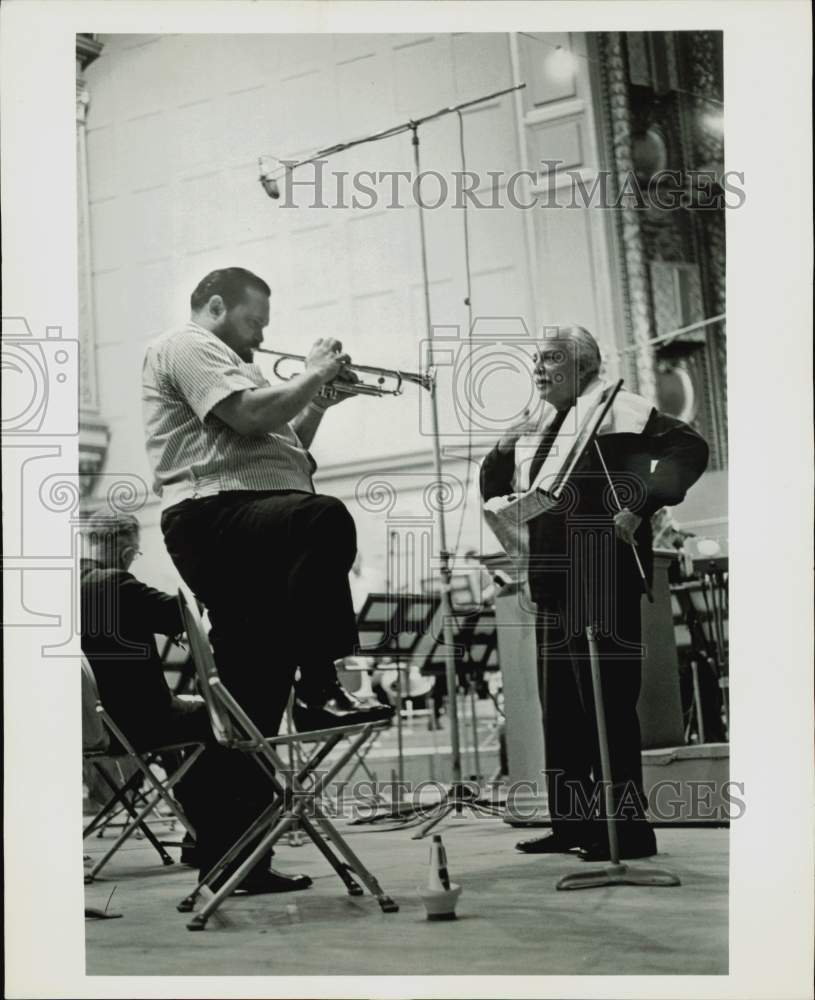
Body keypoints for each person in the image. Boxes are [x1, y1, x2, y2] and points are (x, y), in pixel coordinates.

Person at [480, 325, 709, 861]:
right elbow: (497, 489)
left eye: (551, 359)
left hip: (602, 571)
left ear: (583, 367)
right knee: (559, 709)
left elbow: (689, 447)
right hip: (553, 578)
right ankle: (573, 824)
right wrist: (502, 445)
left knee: (605, 704)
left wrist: (643, 502)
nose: (538, 369)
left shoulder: (617, 407)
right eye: (536, 360)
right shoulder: (541, 426)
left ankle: (627, 830)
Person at [80, 511, 312, 893]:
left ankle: (201, 843)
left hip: (95, 727)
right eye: (136, 554)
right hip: (139, 723)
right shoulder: (116, 583)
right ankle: (240, 861)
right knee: (237, 725)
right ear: (124, 551)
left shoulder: (64, 586)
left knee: (193, 729)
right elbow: (187, 617)